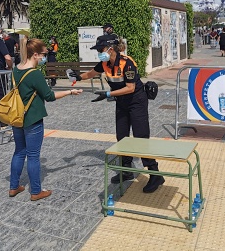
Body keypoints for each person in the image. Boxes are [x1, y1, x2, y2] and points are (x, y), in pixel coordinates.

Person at [68, 34, 165, 193]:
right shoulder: (105, 63)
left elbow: (130, 88)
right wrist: (78, 77)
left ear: (110, 48)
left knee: (141, 137)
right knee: (122, 136)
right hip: (121, 102)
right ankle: (126, 170)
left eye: (101, 49)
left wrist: (107, 94)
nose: (99, 52)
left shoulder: (127, 63)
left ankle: (155, 174)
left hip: (136, 101)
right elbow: (92, 73)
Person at [9, 37, 83, 201]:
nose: (44, 57)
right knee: (33, 156)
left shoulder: (16, 69)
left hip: (17, 117)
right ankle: (36, 191)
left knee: (19, 152)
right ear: (35, 54)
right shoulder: (34, 74)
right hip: (32, 118)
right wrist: (71, 92)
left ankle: (14, 187)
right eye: (43, 54)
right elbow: (49, 96)